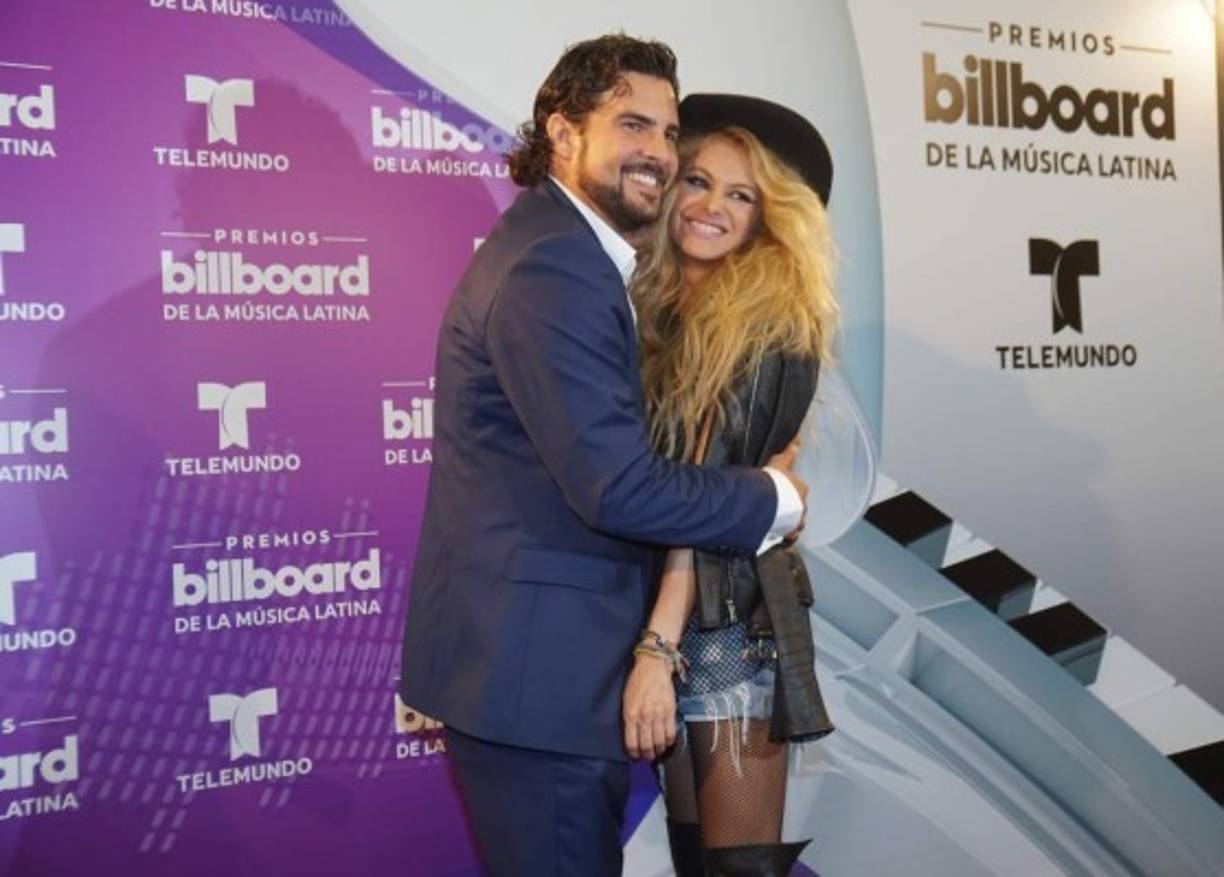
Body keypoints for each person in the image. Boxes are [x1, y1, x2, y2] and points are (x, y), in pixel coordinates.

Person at [397, 39, 810, 877]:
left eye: (667, 129)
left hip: (561, 670)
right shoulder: (561, 265)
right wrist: (773, 499)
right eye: (632, 124)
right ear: (562, 130)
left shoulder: (560, 253)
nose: (658, 150)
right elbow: (618, 487)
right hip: (540, 686)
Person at [623, 93, 840, 876]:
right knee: (697, 865)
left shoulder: (766, 322)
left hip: (722, 629)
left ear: (767, 218)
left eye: (740, 195)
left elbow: (709, 505)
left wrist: (658, 647)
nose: (711, 206)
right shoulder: (658, 308)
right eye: (699, 181)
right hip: (671, 620)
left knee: (736, 871)